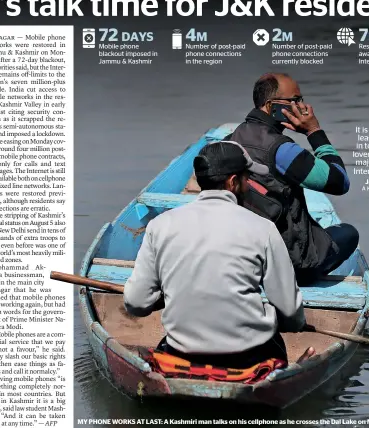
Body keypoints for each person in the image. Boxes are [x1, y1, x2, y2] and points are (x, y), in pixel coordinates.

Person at [124, 140, 314, 370]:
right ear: (233, 182)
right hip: (250, 357)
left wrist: (164, 298)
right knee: (274, 337)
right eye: (247, 178)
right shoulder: (262, 229)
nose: (249, 184)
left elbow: (135, 302)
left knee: (166, 343)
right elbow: (291, 312)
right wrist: (293, 323)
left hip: (183, 354)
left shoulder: (159, 226)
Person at [227, 72, 357, 285]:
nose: (302, 107)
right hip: (290, 266)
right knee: (348, 233)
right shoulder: (281, 149)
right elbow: (339, 181)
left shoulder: (231, 139)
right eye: (295, 101)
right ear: (271, 106)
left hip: (244, 260)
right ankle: (308, 276)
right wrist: (314, 131)